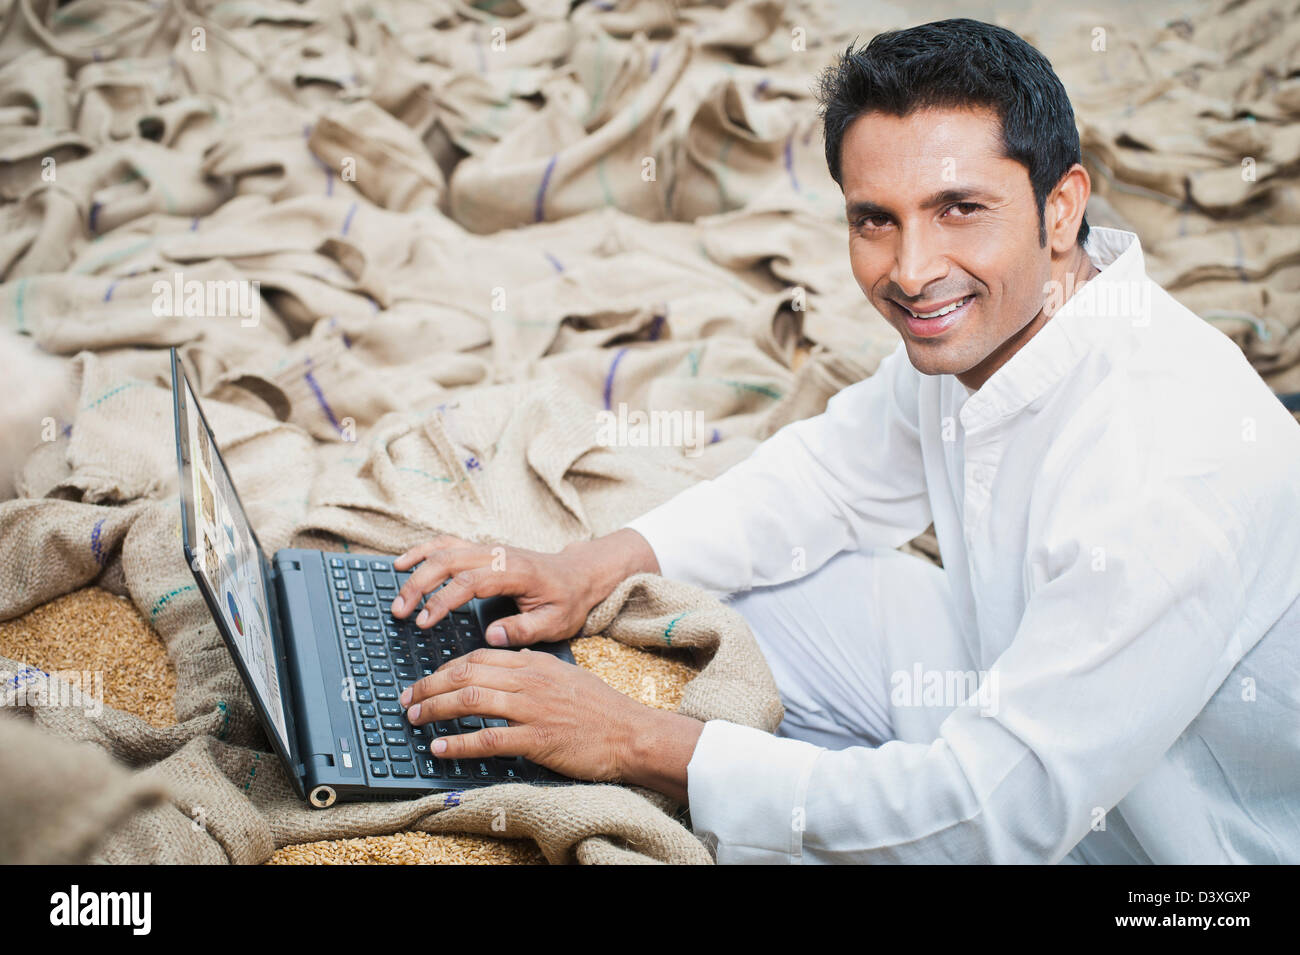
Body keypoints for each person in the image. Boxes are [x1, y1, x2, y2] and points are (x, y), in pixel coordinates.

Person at [390, 19, 1300, 863]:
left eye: (959, 209)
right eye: (877, 219)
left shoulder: (1166, 466)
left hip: (1171, 854)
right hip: (1015, 680)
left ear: (1062, 209)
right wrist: (593, 565)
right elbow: (828, 478)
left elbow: (993, 815)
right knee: (752, 588)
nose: (911, 273)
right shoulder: (1007, 323)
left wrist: (631, 739)